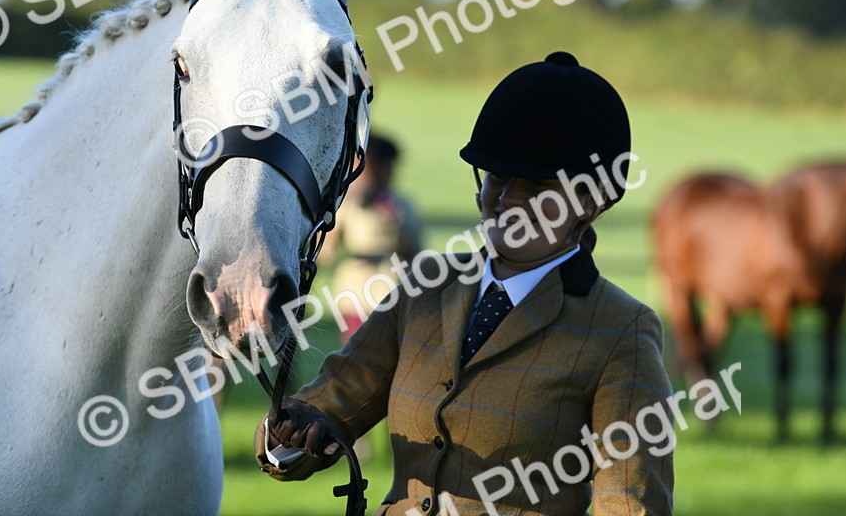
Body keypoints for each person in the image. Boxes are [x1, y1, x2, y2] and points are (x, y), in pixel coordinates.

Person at [255, 52, 675, 515]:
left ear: (590, 201)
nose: (505, 200)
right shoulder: (424, 287)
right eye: (497, 177)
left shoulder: (622, 330)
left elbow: (631, 505)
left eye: (535, 187)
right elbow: (333, 400)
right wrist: (290, 431)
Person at [318, 133, 424, 345]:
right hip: (356, 293)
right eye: (383, 167)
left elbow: (416, 252)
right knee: (356, 353)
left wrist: (396, 226)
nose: (388, 174)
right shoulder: (348, 204)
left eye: (391, 168)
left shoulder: (402, 204)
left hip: (392, 290)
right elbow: (326, 252)